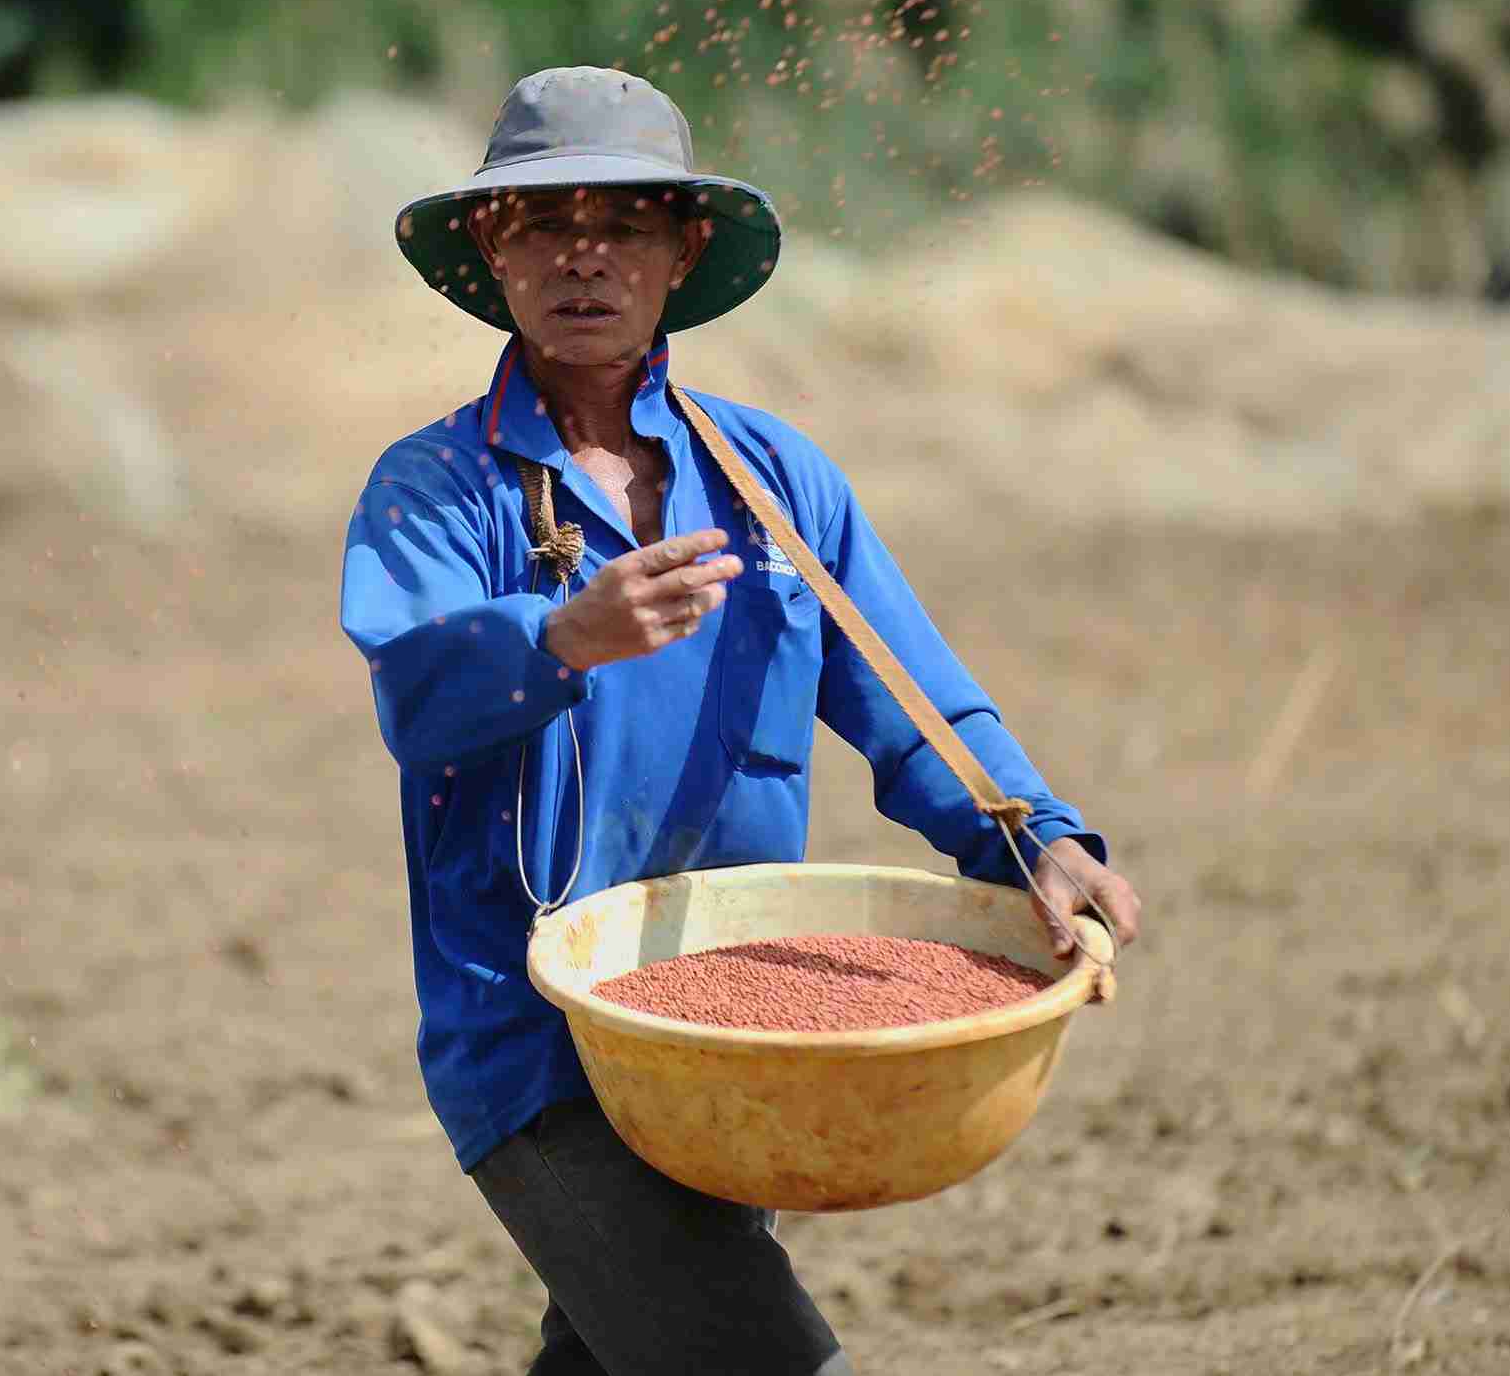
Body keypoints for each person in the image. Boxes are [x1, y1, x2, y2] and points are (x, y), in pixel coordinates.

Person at [338, 67, 1144, 1376]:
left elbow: (914, 699)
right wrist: (559, 638)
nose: (584, 258)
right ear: (491, 247)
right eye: (544, 224)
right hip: (537, 1045)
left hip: (740, 1039)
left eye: (624, 224)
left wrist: (1035, 837)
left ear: (685, 249)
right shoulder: (436, 487)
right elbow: (415, 694)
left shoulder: (773, 484)